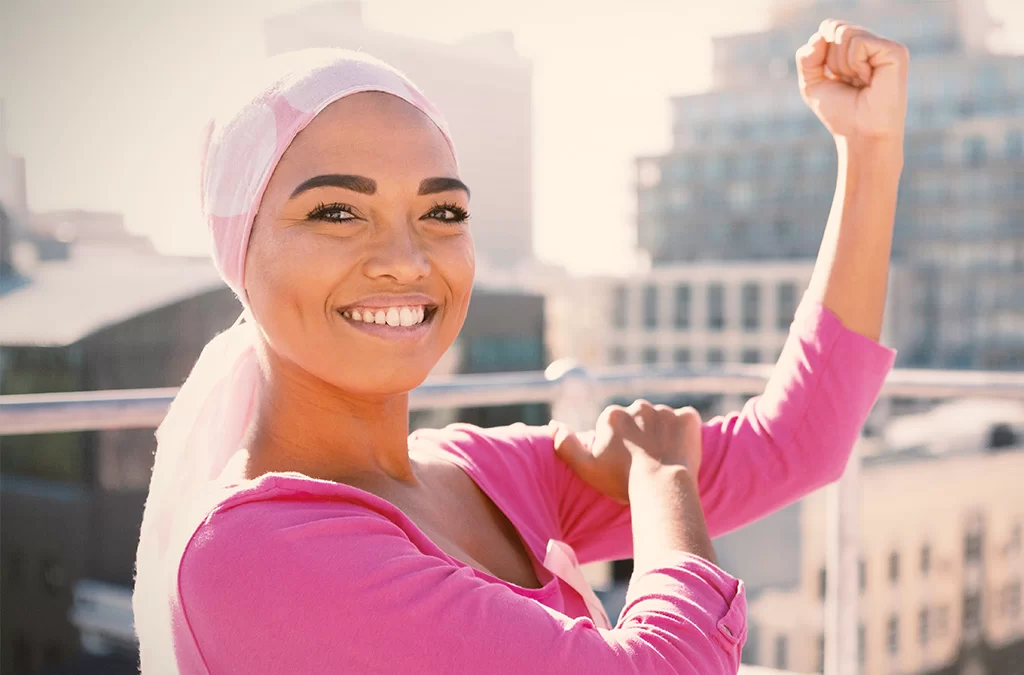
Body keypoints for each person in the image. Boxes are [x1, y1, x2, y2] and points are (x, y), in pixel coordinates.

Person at [133, 18, 905, 674]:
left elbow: (797, 442)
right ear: (239, 252)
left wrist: (869, 150)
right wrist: (663, 477)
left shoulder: (483, 472)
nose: (407, 258)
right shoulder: (255, 552)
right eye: (337, 212)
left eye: (442, 213)